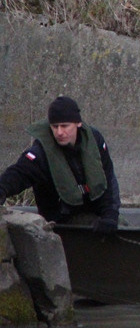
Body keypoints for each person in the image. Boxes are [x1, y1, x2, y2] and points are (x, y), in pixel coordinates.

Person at [0, 96, 121, 233]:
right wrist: (2, 189)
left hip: (97, 214)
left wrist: (110, 216)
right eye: (54, 126)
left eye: (64, 126)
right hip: (59, 222)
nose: (59, 132)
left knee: (118, 226)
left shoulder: (95, 141)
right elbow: (19, 173)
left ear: (78, 123)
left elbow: (108, 180)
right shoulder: (41, 151)